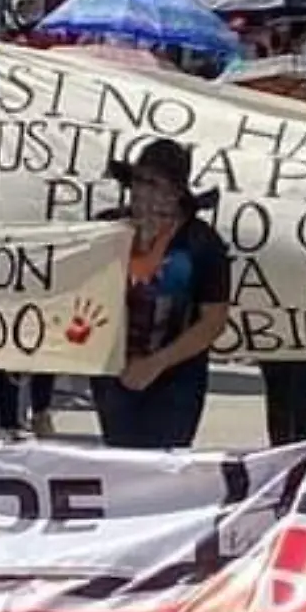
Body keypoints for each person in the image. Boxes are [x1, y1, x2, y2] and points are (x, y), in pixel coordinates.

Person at [94, 139, 230, 449]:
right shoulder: (106, 229)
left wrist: (156, 363)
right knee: (119, 464)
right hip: (113, 375)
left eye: (156, 184)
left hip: (177, 379)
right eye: (139, 181)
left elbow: (214, 321)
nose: (144, 192)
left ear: (176, 193)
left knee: (162, 472)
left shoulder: (201, 242)